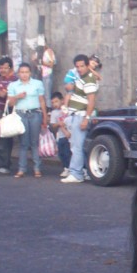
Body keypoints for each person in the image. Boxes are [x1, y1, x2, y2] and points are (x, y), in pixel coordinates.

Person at [61, 54, 99, 184]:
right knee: (79, 146)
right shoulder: (81, 77)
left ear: (88, 65)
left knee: (77, 146)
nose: (79, 69)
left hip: (81, 115)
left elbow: (91, 100)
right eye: (77, 67)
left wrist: (86, 118)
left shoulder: (89, 79)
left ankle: (76, 173)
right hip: (77, 114)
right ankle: (84, 171)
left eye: (82, 66)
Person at [7, 63, 48, 178]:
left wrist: (45, 117)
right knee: (23, 143)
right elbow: (10, 103)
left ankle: (37, 168)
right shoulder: (13, 85)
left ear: (30, 73)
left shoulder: (37, 83)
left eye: (26, 72)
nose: (24, 75)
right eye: (22, 72)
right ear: (18, 74)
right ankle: (22, 168)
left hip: (35, 113)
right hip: (21, 114)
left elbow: (42, 100)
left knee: (35, 142)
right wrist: (17, 97)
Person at [48, 92, 73, 176]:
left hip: (69, 136)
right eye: (52, 102)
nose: (54, 104)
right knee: (61, 153)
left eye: (56, 101)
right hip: (60, 136)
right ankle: (66, 168)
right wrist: (58, 124)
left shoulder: (67, 110)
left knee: (67, 153)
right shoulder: (54, 113)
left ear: (62, 100)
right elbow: (53, 125)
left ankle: (70, 168)